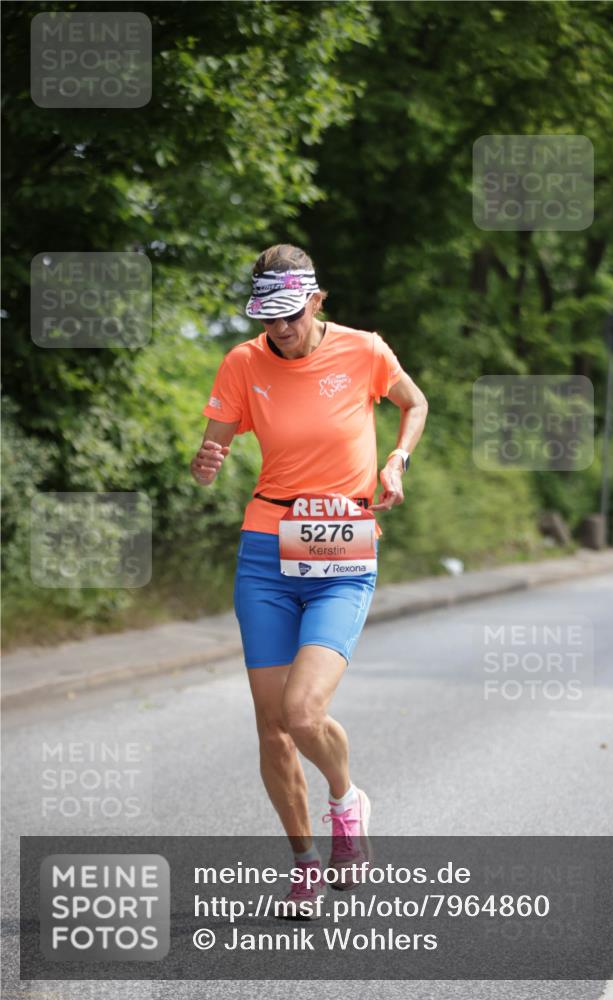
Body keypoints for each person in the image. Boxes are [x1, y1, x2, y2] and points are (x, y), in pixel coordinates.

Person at [191, 244, 428, 918]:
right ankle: (303, 865)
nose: (280, 331)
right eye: (268, 321)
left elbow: (415, 403)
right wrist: (205, 462)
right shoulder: (243, 362)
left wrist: (395, 462)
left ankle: (346, 802)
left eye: (290, 317)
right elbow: (210, 453)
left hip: (344, 552)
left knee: (302, 713)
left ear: (316, 303)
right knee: (271, 730)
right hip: (266, 551)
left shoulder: (363, 351)